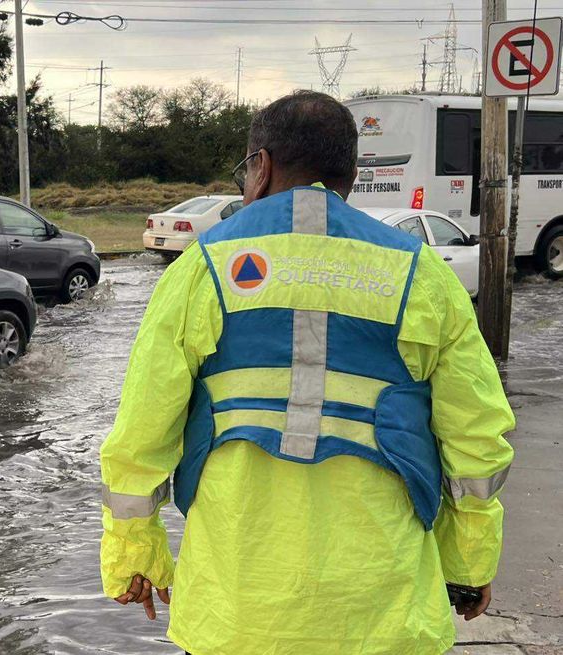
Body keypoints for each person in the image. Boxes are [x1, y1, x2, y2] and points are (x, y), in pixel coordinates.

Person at [99, 90, 515, 655]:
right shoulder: (421, 274)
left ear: (262, 165)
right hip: (380, 606)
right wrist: (467, 558)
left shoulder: (202, 268)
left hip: (239, 603)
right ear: (351, 175)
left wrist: (135, 553)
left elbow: (143, 429)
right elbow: (476, 437)